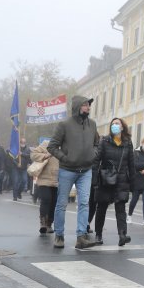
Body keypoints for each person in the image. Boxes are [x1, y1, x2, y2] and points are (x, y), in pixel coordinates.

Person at [47, 96, 99, 250]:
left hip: (86, 171)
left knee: (84, 203)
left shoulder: (93, 124)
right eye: (85, 105)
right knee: (61, 204)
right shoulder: (64, 125)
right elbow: (52, 146)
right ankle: (59, 235)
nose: (88, 108)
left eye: (89, 105)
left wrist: (93, 155)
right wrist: (65, 158)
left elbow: (97, 143)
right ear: (77, 107)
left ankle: (81, 237)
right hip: (67, 170)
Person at [94, 118, 136, 246]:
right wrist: (94, 179)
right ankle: (98, 234)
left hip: (122, 179)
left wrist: (133, 184)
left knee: (121, 208)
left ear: (122, 127)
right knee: (101, 207)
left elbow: (131, 164)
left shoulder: (128, 143)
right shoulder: (105, 141)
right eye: (113, 124)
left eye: (117, 124)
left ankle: (122, 235)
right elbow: (97, 159)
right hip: (106, 178)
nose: (114, 126)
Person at [30, 140, 59, 235]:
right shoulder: (47, 143)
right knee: (46, 199)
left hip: (57, 179)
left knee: (54, 202)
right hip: (44, 179)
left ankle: (49, 223)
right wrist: (44, 156)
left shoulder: (66, 146)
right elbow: (33, 154)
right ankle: (43, 224)